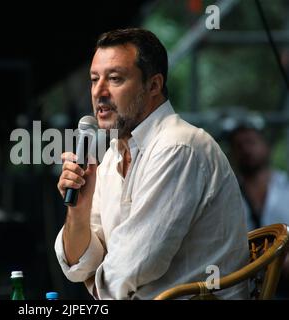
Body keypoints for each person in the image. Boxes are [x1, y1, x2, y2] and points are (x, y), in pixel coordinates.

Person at [54, 28, 249, 300]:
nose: (99, 92)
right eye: (94, 79)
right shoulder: (111, 157)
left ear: (154, 85)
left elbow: (135, 266)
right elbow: (79, 265)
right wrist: (78, 209)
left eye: (114, 79)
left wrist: (94, 282)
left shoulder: (178, 147)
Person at [228, 124, 289, 297]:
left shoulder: (286, 187)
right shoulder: (227, 193)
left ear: (266, 146)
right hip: (244, 284)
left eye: (251, 142)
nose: (246, 149)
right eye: (239, 146)